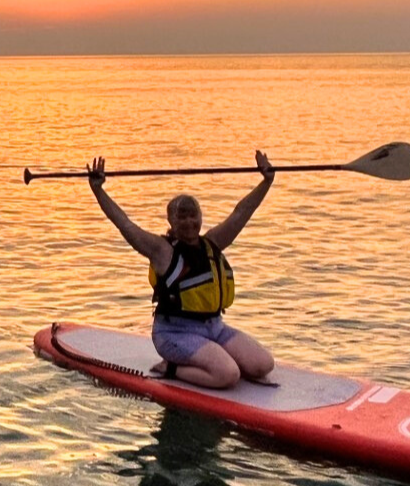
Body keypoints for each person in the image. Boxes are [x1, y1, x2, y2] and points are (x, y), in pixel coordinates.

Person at [86, 152, 277, 388]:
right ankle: (172, 367)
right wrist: (98, 191)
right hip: (174, 334)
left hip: (214, 328)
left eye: (193, 216)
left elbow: (241, 212)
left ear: (200, 217)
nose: (188, 222)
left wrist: (266, 181)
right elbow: (124, 223)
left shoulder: (213, 242)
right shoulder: (162, 251)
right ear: (171, 222)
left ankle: (208, 358)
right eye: (181, 217)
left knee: (263, 365)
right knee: (228, 375)